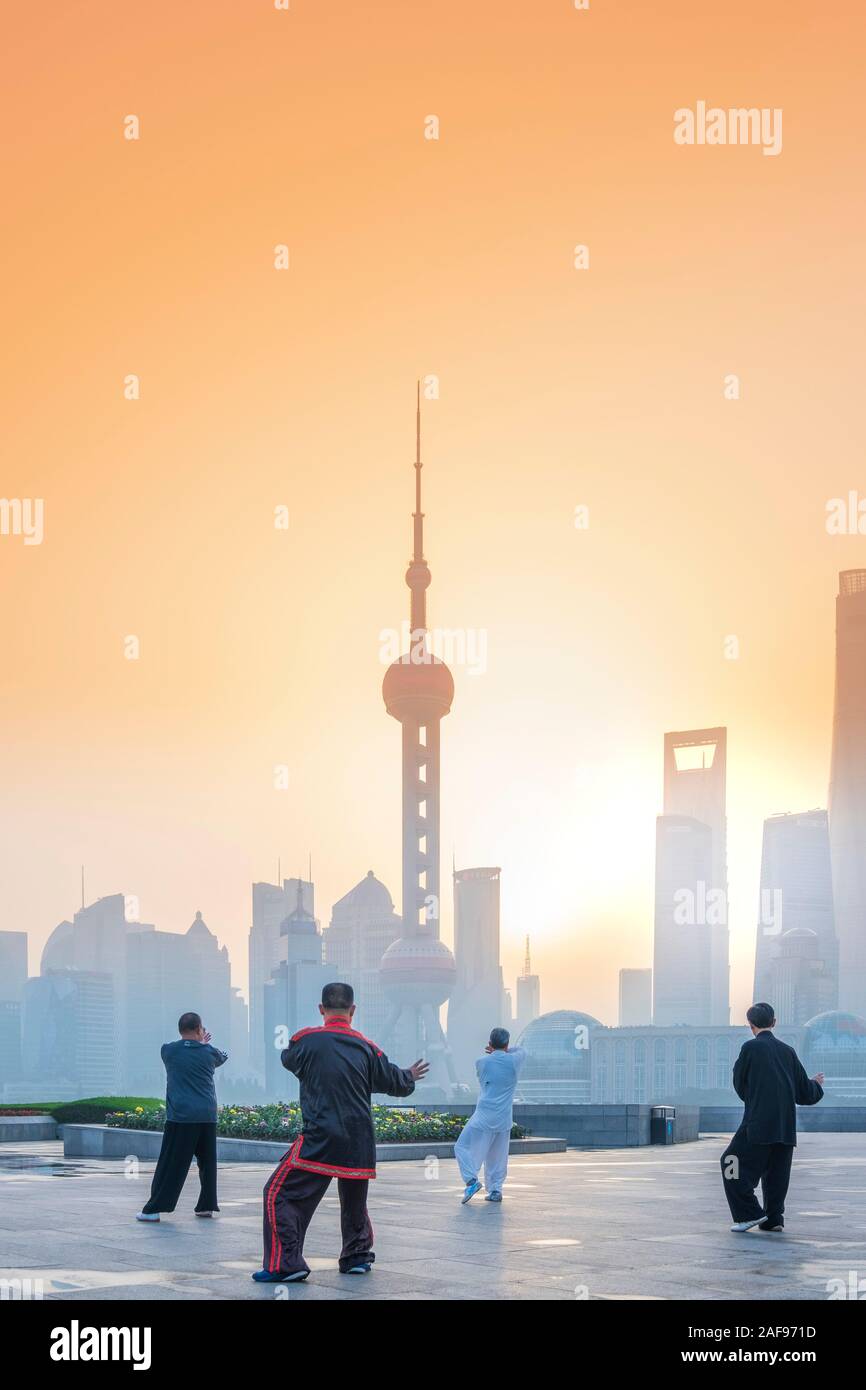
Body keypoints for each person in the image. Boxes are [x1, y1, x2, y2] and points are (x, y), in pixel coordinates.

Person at [253, 982, 428, 1283]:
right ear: (353, 1010)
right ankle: (357, 1256)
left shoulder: (305, 1039)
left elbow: (289, 1059)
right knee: (354, 1202)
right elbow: (393, 1082)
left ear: (321, 1009)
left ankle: (285, 1264)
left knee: (278, 1194)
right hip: (359, 1142)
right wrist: (408, 1075)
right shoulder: (367, 1047)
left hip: (322, 1137)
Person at [720, 1002, 824, 1233]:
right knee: (775, 1174)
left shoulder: (750, 1048)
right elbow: (804, 1093)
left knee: (729, 1162)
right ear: (774, 1023)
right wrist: (816, 1085)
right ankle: (773, 1219)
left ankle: (749, 1214)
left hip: (757, 1124)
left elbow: (739, 1083)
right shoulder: (788, 1051)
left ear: (750, 1025)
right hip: (785, 1128)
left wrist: (756, 1099)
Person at [135, 1011, 228, 1223]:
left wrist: (197, 1042)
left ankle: (153, 1209)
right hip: (207, 1115)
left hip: (181, 1116)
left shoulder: (168, 1051)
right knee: (207, 1163)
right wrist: (203, 1043)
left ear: (180, 1030)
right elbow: (223, 1056)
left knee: (171, 1165)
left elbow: (182, 1050)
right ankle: (206, 1206)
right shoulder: (209, 1053)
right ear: (199, 1029)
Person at [454, 1026, 525, 1205]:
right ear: (507, 1044)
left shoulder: (482, 1062)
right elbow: (522, 1050)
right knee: (497, 1157)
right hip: (504, 1118)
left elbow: (484, 1078)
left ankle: (471, 1181)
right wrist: (506, 1050)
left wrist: (495, 1052)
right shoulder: (515, 1061)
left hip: (484, 1115)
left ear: (489, 1044)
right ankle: (495, 1190)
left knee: (461, 1147)